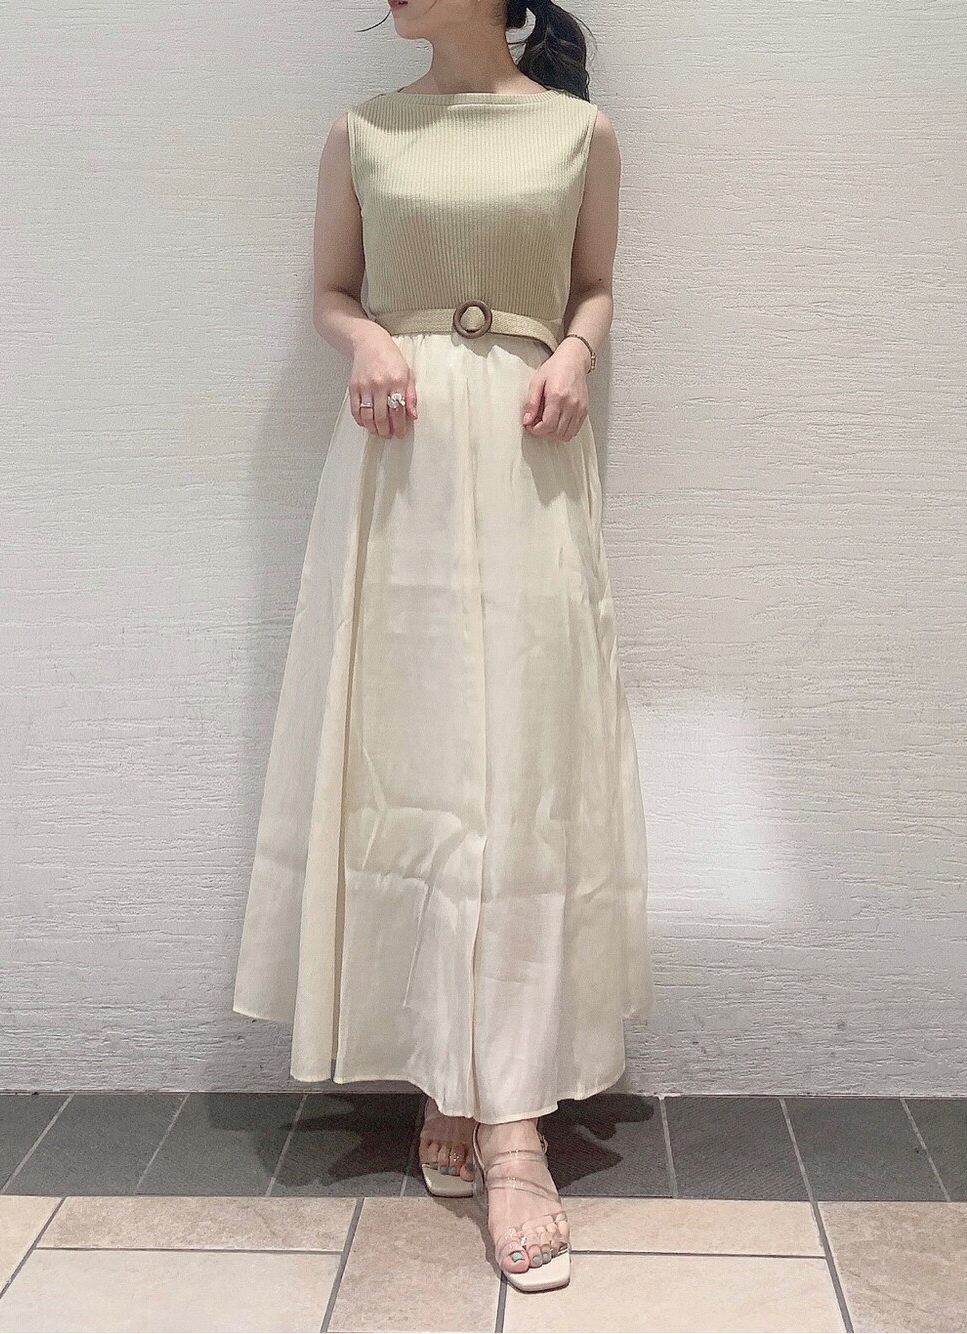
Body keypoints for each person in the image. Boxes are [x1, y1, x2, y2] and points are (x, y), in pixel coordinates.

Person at [232, 0, 655, 1294]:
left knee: (523, 767)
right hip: (399, 457)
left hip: (529, 450)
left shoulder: (580, 134)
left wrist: (575, 351)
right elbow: (329, 292)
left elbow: (595, 286)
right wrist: (366, 337)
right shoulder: (364, 133)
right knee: (414, 761)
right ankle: (444, 1069)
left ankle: (514, 1119)